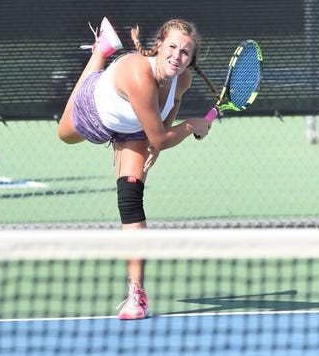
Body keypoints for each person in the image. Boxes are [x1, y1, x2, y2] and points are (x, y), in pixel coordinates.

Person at [58, 17, 214, 319]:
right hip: (98, 113)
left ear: (191, 59)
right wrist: (192, 126)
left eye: (185, 52)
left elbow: (171, 107)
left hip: (137, 131)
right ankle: (100, 51)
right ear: (158, 46)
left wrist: (162, 137)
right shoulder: (139, 75)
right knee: (64, 135)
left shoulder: (182, 79)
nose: (176, 57)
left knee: (130, 199)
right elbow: (162, 136)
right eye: (171, 47)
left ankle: (137, 294)